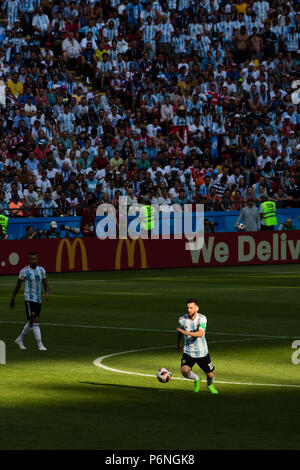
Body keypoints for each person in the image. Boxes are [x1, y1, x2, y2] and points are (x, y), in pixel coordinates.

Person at [176, 298, 219, 394]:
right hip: (188, 352)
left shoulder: (202, 319)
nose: (189, 310)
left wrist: (184, 332)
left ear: (197, 308)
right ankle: (196, 379)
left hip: (202, 352)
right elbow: (179, 332)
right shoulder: (182, 320)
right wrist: (178, 342)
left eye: (191, 308)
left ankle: (210, 385)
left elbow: (200, 334)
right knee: (184, 371)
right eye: (187, 308)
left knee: (210, 375)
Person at [10, 252, 49, 351]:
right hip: (29, 299)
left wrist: (47, 292)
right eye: (31, 259)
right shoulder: (24, 271)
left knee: (32, 321)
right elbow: (18, 285)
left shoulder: (41, 270)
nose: (33, 261)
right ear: (28, 260)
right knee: (35, 321)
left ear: (37, 259)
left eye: (35, 259)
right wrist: (13, 298)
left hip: (38, 299)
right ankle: (40, 344)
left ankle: (20, 339)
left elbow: (45, 283)